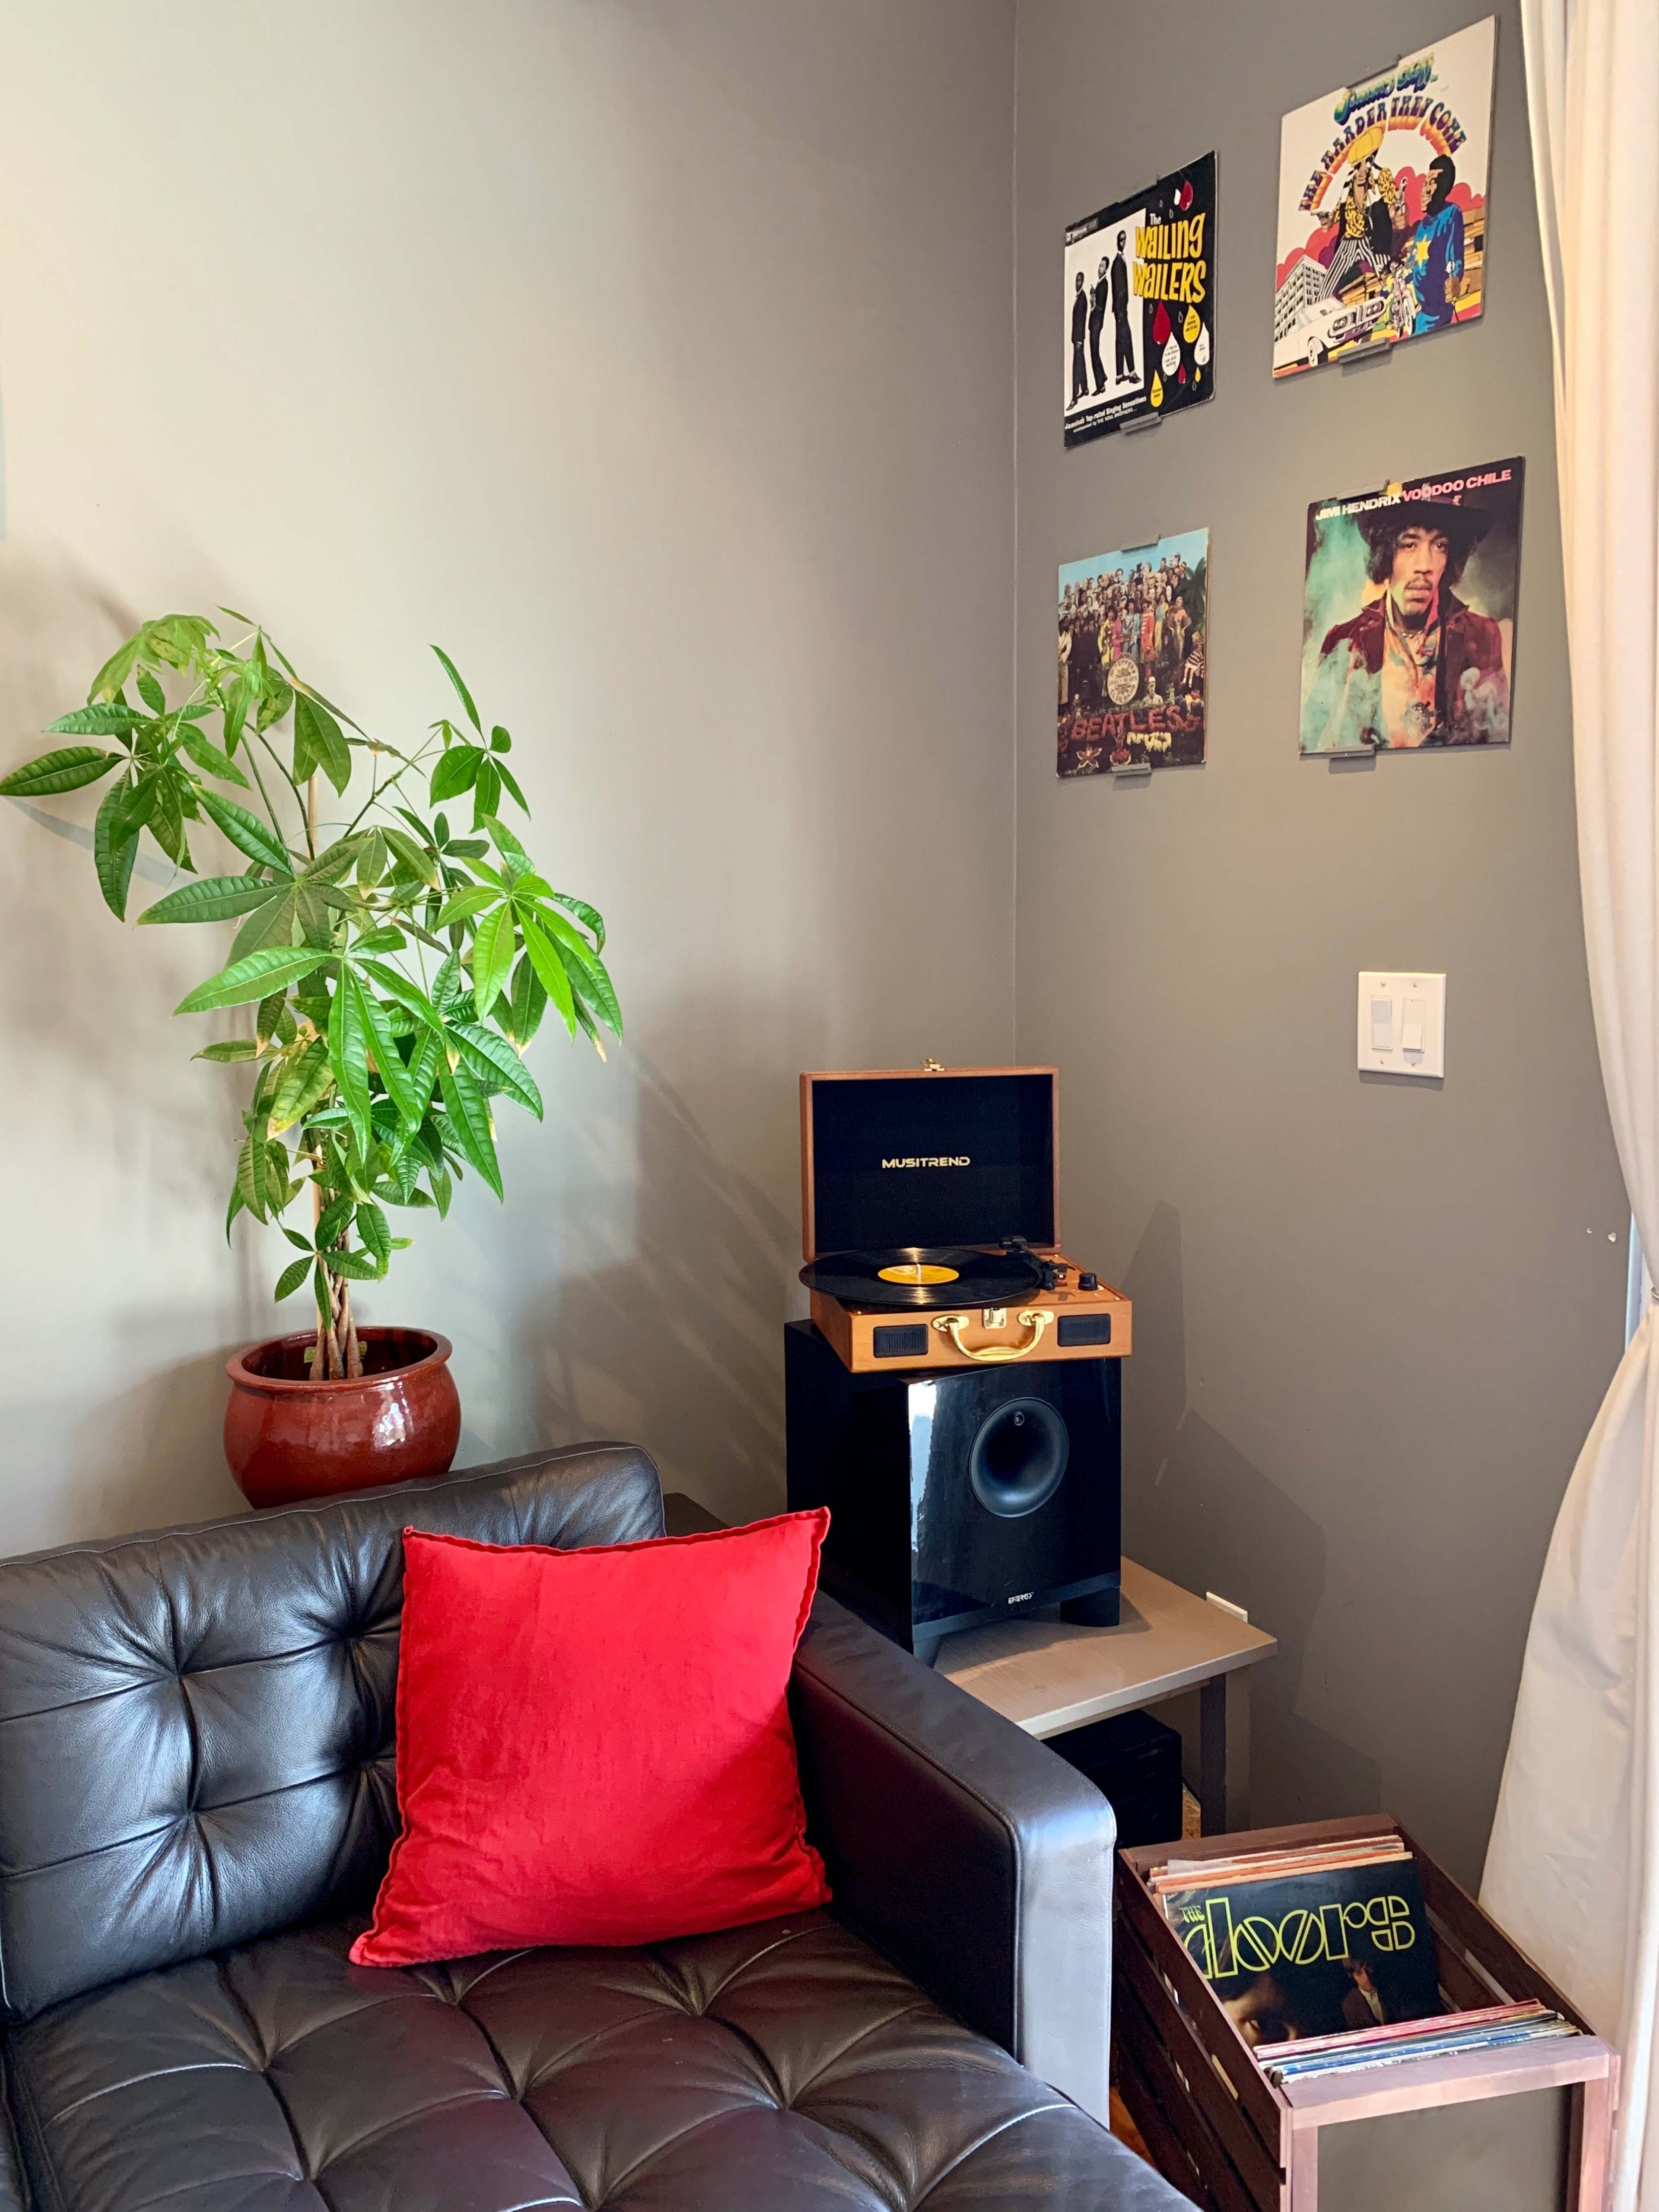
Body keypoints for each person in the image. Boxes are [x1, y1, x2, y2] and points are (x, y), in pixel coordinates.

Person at [1300, 496, 1509, 750]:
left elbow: (1498, 738)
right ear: (1387, 554)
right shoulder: (1345, 639)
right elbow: (1306, 741)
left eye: (1440, 546)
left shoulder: (1482, 635)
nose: (1425, 566)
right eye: (1409, 544)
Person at [1409, 154, 1466, 334]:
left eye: (1432, 183)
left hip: (1439, 315)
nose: (1425, 190)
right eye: (1425, 183)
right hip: (1421, 314)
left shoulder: (1451, 214)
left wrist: (1455, 279)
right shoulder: (1421, 227)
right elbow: (1413, 262)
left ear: (1444, 187)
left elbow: (1455, 257)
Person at [1110, 229, 1135, 384]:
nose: (1124, 243)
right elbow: (1119, 289)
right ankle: (1132, 374)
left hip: (1121, 309)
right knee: (1127, 338)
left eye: (1125, 240)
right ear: (1117, 242)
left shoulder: (1121, 261)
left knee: (1120, 340)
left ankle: (1120, 375)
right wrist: (1121, 312)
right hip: (1120, 310)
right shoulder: (1117, 263)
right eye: (1121, 240)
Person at [1088, 254, 1110, 395]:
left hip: (1097, 322)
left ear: (1106, 269)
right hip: (1095, 322)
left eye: (1102, 266)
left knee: (1094, 353)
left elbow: (1101, 306)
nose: (1099, 268)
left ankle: (1100, 385)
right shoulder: (1100, 283)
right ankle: (1103, 376)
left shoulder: (1104, 284)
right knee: (1095, 352)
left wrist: (1094, 299)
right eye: (1099, 266)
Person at [1070, 271, 1088, 404]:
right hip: (1077, 339)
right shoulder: (1079, 297)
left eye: (1080, 281)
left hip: (1079, 339)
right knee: (1081, 363)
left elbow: (1081, 320)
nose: (1078, 283)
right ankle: (1085, 388)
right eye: (1077, 281)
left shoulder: (1082, 298)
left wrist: (1080, 340)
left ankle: (1074, 397)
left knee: (1076, 367)